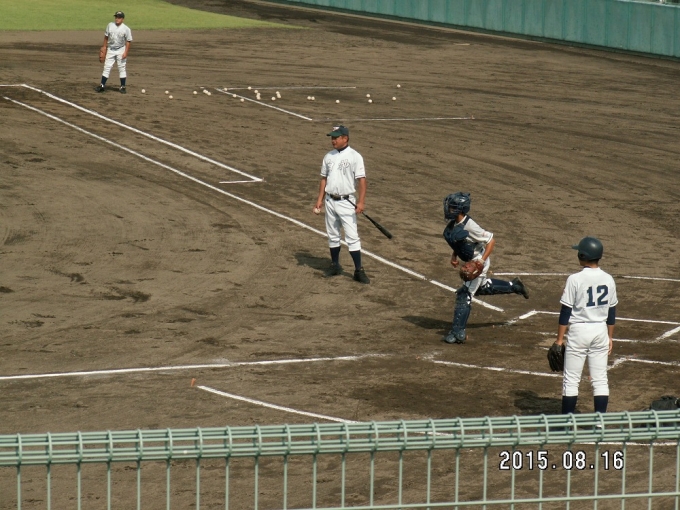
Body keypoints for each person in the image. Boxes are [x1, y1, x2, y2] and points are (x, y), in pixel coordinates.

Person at [442, 192, 529, 344]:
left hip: (477, 262)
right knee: (481, 288)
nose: (448, 209)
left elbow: (491, 241)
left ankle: (458, 332)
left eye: (452, 207)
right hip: (471, 260)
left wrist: (481, 261)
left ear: (460, 209)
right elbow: (461, 243)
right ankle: (514, 286)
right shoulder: (454, 223)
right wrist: (454, 256)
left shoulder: (471, 226)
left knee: (464, 294)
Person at [553, 237, 617, 414]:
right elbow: (611, 313)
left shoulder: (575, 279)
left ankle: (567, 422)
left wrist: (559, 340)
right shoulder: (609, 279)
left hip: (579, 331)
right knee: (600, 380)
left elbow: (565, 312)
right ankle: (600, 423)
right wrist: (610, 337)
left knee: (571, 381)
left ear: (583, 255)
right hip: (600, 331)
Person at [313, 125, 370, 284]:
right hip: (330, 201)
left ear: (345, 138)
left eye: (336, 137)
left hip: (346, 202)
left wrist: (361, 202)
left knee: (352, 237)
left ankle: (358, 270)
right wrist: (319, 200)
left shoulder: (355, 156)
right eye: (332, 137)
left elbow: (362, 180)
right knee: (333, 235)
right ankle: (335, 265)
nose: (333, 140)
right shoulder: (328, 156)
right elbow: (324, 179)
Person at [95, 11, 133, 94]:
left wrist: (126, 52)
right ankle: (102, 85)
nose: (117, 19)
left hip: (121, 50)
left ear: (122, 19)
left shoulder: (126, 29)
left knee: (121, 67)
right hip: (111, 49)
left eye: (119, 17)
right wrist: (104, 47)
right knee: (107, 67)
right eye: (116, 17)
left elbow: (128, 41)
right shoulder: (110, 25)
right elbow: (106, 37)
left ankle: (123, 87)